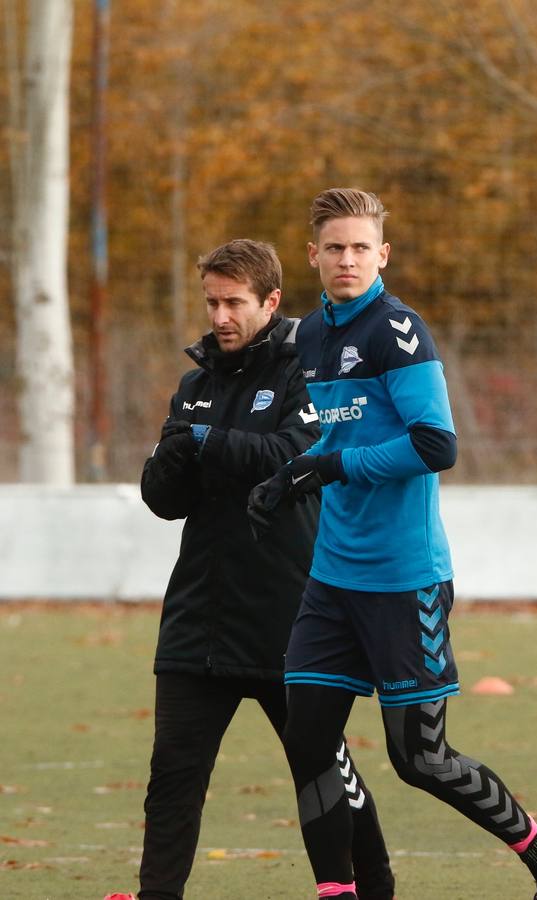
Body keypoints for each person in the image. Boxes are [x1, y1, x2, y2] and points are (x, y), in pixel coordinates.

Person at [247, 188, 537, 900]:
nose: (347, 259)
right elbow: (337, 437)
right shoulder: (310, 336)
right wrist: (289, 476)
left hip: (406, 580)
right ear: (314, 256)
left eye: (360, 248)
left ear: (383, 255)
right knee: (307, 739)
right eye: (334, 248)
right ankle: (338, 893)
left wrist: (335, 466)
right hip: (333, 580)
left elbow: (435, 444)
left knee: (420, 759)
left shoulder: (397, 330)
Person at [113, 240, 393, 900]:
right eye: (211, 302)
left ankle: (375, 885)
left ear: (270, 302)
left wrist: (207, 442)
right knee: (173, 776)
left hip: (288, 617)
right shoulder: (195, 384)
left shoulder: (307, 374)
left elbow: (292, 454)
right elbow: (163, 499)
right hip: (197, 620)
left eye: (234, 302)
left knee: (321, 768)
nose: (220, 316)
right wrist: (177, 456)